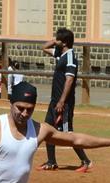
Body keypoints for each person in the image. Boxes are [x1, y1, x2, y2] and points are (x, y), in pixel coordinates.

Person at [39, 28, 92, 172]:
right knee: (47, 130)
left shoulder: (70, 58)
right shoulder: (60, 54)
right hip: (54, 101)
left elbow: (69, 80)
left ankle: (85, 160)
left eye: (58, 39)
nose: (55, 41)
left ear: (65, 43)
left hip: (64, 103)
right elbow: (43, 47)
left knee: (68, 135)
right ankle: (51, 162)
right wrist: (55, 40)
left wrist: (62, 101)